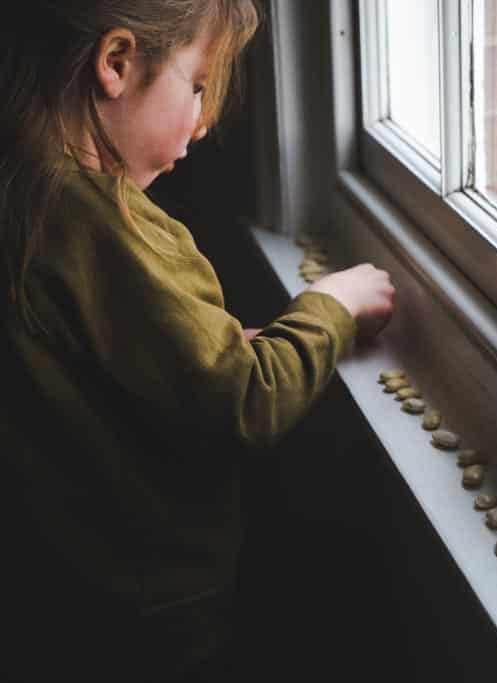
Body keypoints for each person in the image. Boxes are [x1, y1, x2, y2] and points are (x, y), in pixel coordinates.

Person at [0, 2, 395, 680]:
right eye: (198, 83)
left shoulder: (24, 191)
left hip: (53, 587)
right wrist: (332, 303)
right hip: (150, 606)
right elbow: (248, 396)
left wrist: (215, 347)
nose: (205, 119)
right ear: (117, 64)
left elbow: (102, 361)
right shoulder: (108, 231)